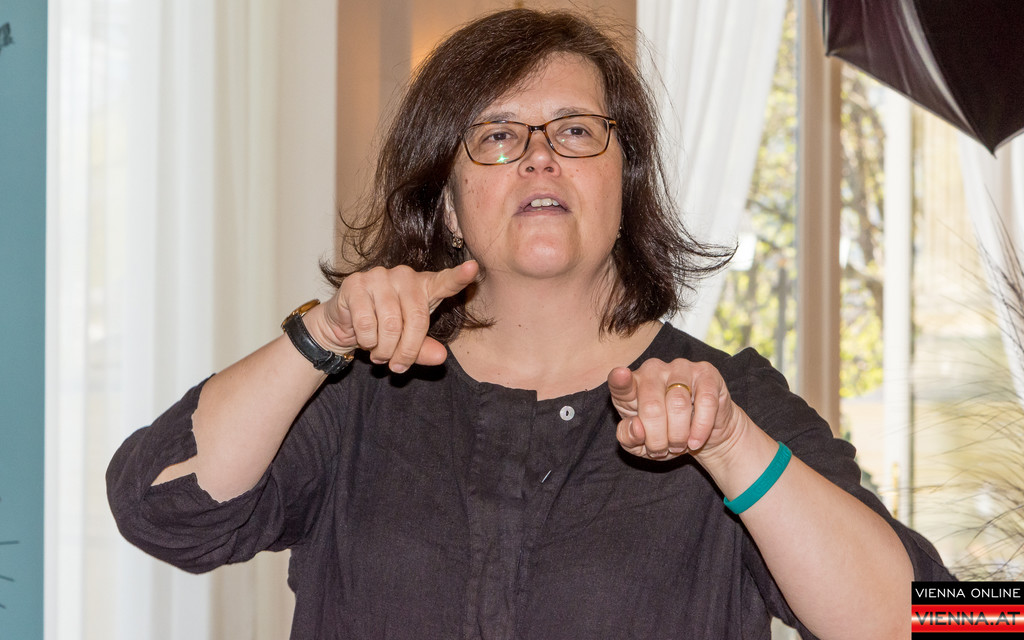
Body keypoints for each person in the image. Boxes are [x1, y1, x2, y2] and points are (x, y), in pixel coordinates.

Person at [107, 8, 954, 640]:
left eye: (577, 131)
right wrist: (321, 336)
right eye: (499, 136)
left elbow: (962, 619)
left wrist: (733, 449)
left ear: (626, 185)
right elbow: (159, 512)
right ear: (447, 201)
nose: (541, 155)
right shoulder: (354, 394)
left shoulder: (727, 403)